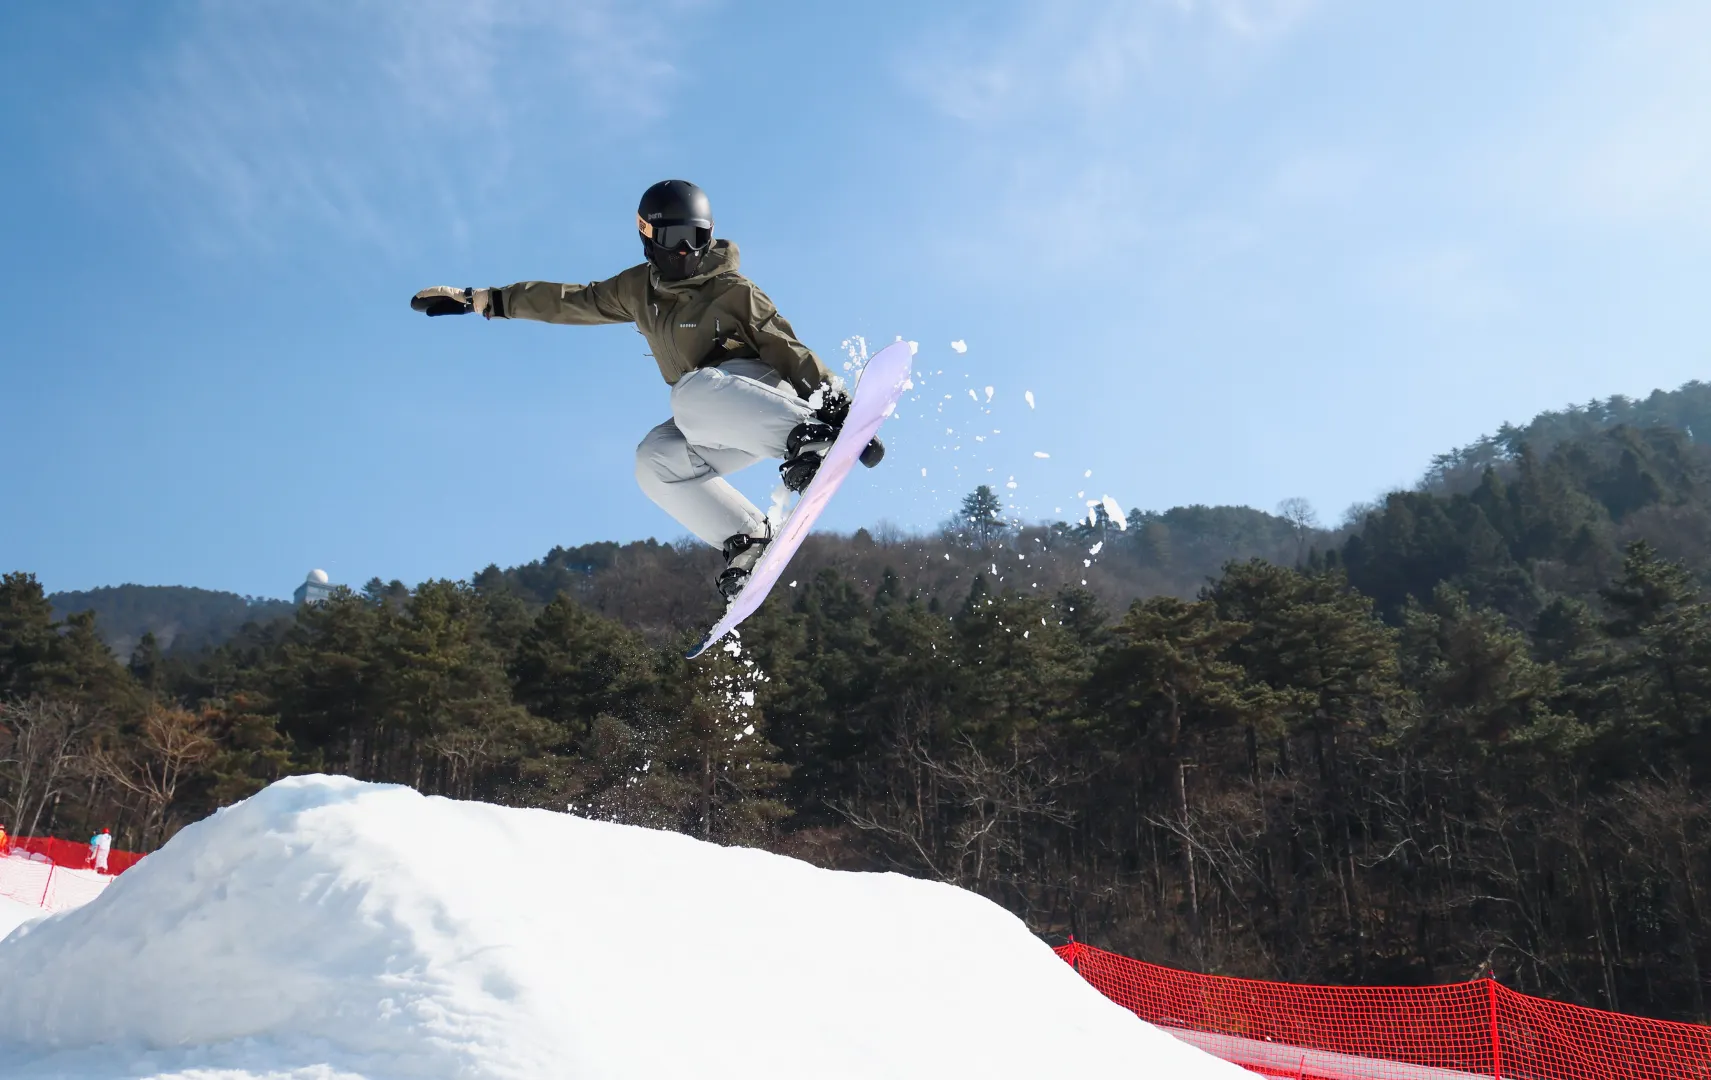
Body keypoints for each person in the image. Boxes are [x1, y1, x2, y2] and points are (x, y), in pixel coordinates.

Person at [411, 180, 882, 600]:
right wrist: (483, 300)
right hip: (720, 421)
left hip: (764, 400)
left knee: (690, 392)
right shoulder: (638, 290)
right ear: (647, 237)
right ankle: (746, 538)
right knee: (653, 459)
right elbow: (570, 301)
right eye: (674, 240)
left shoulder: (733, 290)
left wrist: (840, 412)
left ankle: (809, 435)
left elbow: (787, 348)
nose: (685, 251)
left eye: (697, 239)